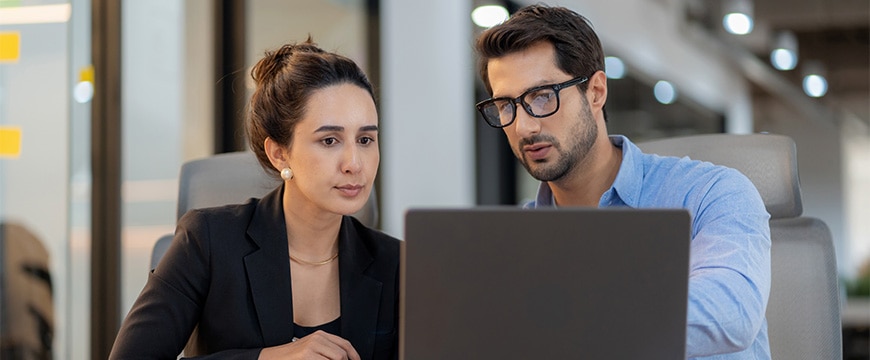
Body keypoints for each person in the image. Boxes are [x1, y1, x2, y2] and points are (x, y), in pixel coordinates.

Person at [474, 4, 770, 359]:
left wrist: (561, 321)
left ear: (596, 92)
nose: (524, 127)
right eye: (506, 106)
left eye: (542, 97)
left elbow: (730, 314)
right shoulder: (512, 243)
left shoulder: (711, 194)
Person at [110, 39, 399, 360]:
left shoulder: (397, 263)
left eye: (365, 139)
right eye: (329, 140)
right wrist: (267, 357)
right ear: (279, 153)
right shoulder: (208, 241)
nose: (354, 163)